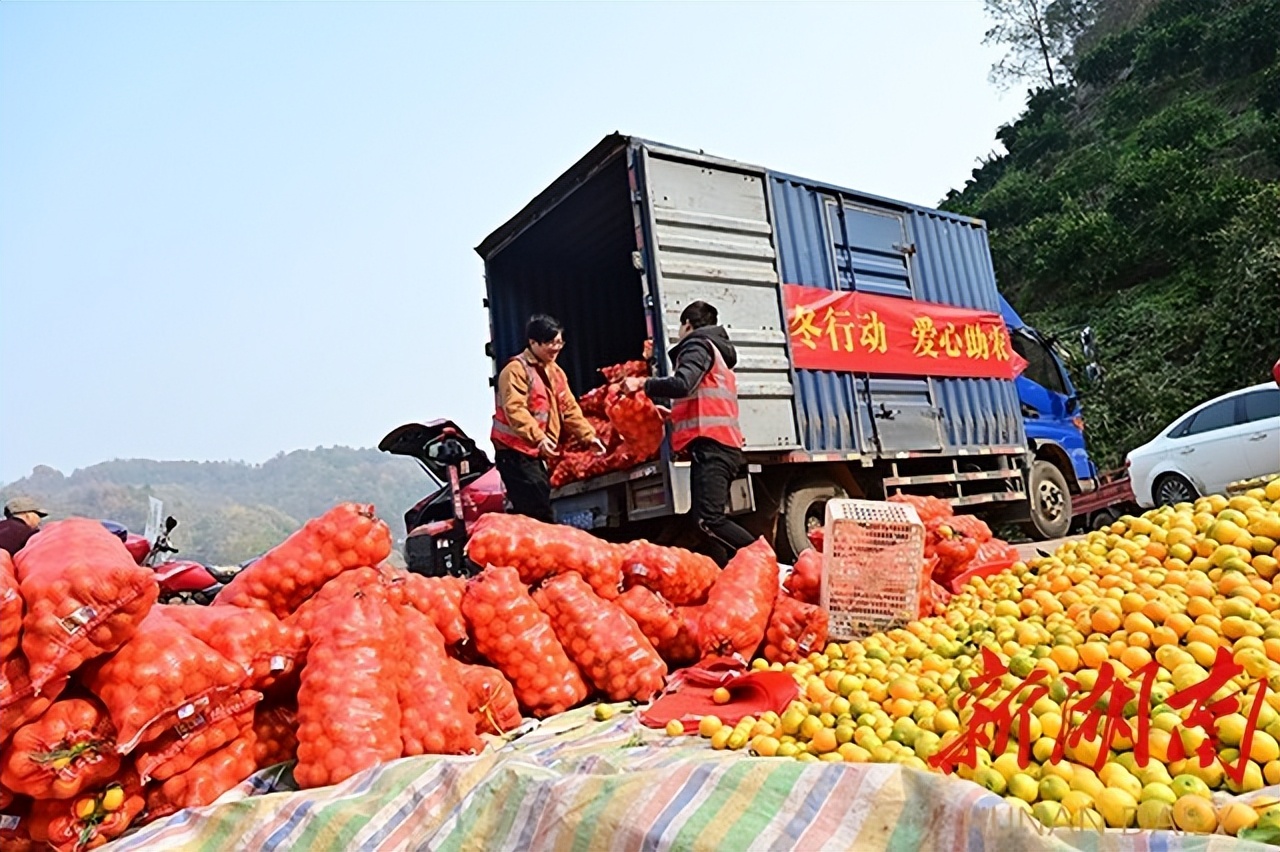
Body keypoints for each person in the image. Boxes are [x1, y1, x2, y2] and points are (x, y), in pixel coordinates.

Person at [623, 300, 754, 563]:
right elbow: (703, 400)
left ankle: (763, 560)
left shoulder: (697, 344)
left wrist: (643, 383)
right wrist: (673, 415)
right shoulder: (716, 352)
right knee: (702, 521)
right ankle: (728, 574)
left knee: (709, 519)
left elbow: (684, 384)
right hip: (719, 445)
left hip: (713, 446)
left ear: (687, 325)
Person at [491, 314, 606, 523]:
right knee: (538, 513)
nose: (556, 347)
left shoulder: (556, 373)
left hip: (535, 455)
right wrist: (539, 438)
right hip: (514, 453)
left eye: (559, 342)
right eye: (550, 343)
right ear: (533, 343)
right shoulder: (515, 370)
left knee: (540, 508)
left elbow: (569, 408)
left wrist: (589, 437)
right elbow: (515, 410)